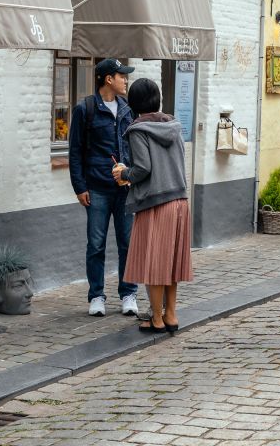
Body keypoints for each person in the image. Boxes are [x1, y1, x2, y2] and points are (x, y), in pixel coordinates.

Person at [114, 79, 191, 334]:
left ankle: (156, 319)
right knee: (171, 263)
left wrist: (124, 173)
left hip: (156, 203)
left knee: (155, 263)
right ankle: (171, 314)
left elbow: (143, 169)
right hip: (179, 202)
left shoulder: (138, 130)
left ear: (133, 103)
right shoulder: (173, 125)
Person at [68, 58, 139, 317]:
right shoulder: (85, 108)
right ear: (108, 78)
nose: (125, 80)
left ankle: (129, 293)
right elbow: (75, 151)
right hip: (96, 188)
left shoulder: (128, 109)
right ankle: (96, 296)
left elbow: (133, 146)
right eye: (122, 76)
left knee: (128, 244)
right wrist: (79, 186)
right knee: (96, 244)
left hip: (125, 188)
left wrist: (131, 172)